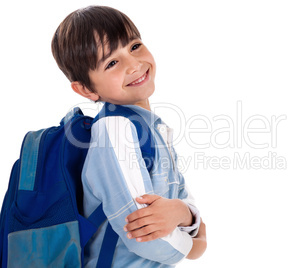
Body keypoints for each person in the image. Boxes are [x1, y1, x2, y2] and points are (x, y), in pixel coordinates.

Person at [51, 5, 207, 267]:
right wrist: (196, 244)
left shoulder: (153, 128)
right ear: (86, 89)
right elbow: (143, 235)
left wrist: (183, 213)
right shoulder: (115, 131)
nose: (134, 64)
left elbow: (183, 199)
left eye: (134, 46)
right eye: (112, 62)